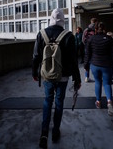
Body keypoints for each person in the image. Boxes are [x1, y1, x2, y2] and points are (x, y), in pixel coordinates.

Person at [32, 8, 81, 149]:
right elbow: (73, 60)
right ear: (63, 20)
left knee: (48, 101)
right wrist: (77, 79)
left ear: (51, 19)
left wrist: (34, 73)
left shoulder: (41, 34)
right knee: (59, 102)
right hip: (63, 76)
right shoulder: (69, 36)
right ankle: (55, 131)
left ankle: (44, 133)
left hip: (47, 75)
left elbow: (36, 56)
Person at [84, 22, 113, 116]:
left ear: (95, 30)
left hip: (95, 65)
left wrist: (86, 66)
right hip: (107, 65)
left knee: (98, 82)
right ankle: (109, 102)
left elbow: (87, 54)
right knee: (107, 83)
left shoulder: (91, 39)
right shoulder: (110, 39)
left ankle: (98, 102)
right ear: (104, 29)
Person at [82, 18, 98, 82]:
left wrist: (86, 45)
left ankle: (86, 77)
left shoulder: (86, 29)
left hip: (87, 47)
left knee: (87, 62)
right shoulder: (96, 29)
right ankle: (96, 76)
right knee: (95, 61)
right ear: (96, 22)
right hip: (95, 48)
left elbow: (83, 39)